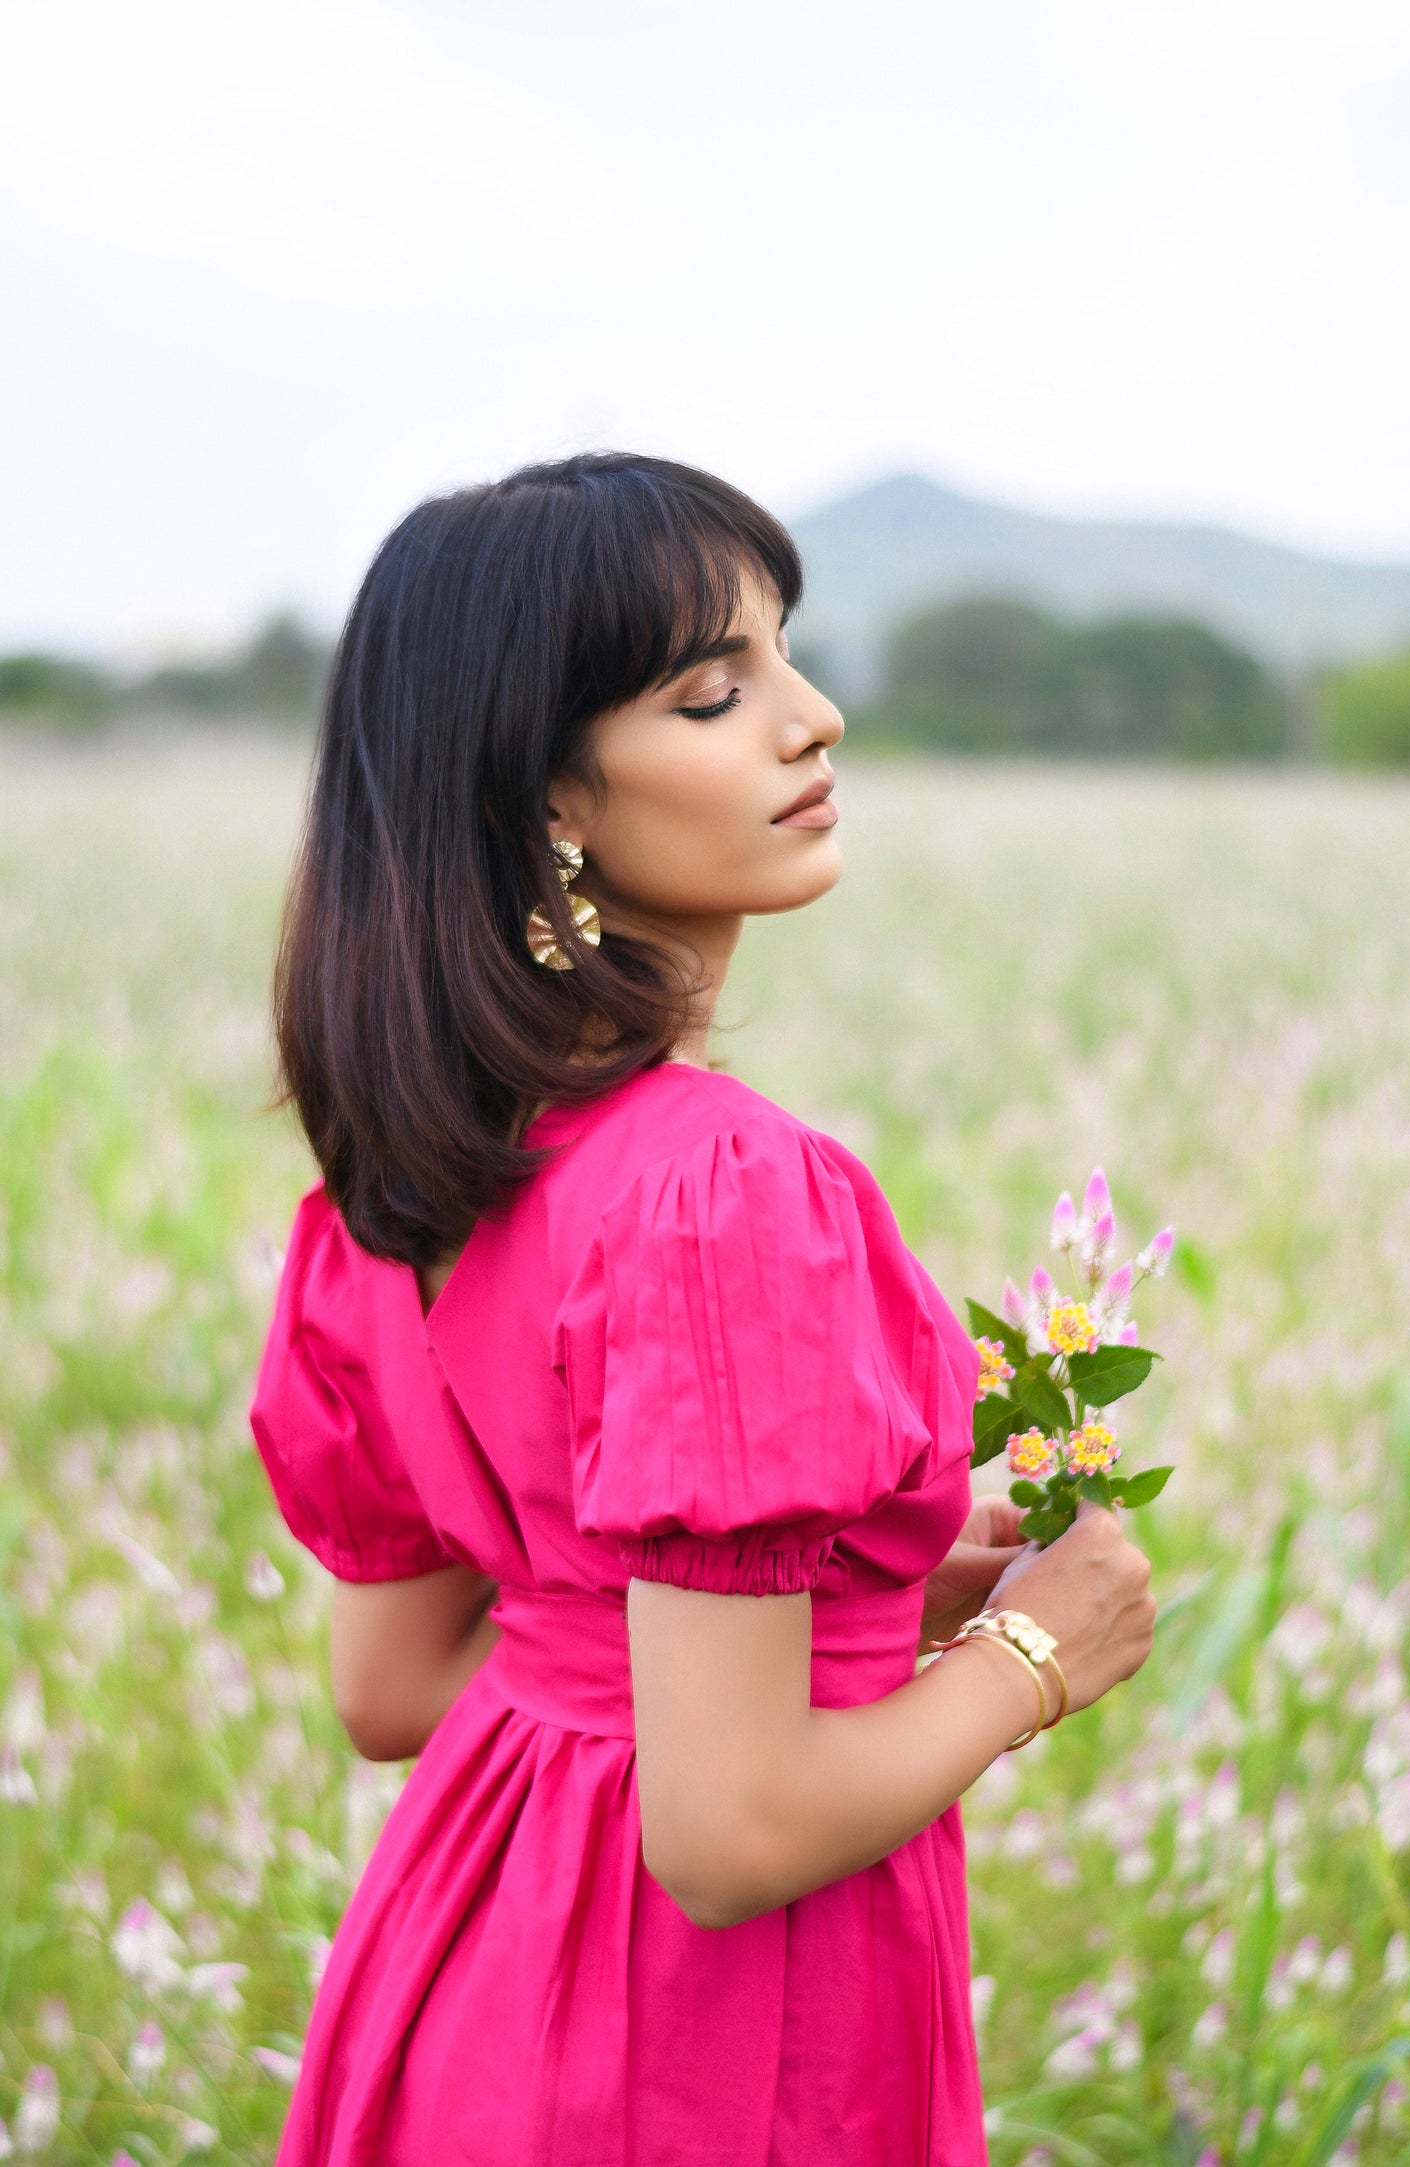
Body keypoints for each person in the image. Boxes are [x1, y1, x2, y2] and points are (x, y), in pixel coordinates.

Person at [248, 451, 1156, 2166]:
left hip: (466, 1969)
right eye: (711, 692)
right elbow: (727, 1832)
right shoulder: (719, 1189)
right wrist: (1040, 1654)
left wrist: (819, 1625)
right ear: (554, 800)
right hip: (691, 2051)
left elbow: (397, 1688)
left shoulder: (392, 1186)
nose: (809, 720)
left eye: (784, 659)